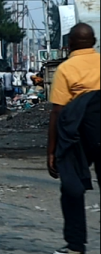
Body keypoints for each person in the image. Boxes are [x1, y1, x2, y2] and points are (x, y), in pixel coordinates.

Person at [47, 23, 100, 254]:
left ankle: (76, 246)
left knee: (71, 187)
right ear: (94, 42)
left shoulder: (66, 69)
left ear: (69, 45)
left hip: (78, 135)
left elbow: (57, 112)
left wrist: (52, 150)